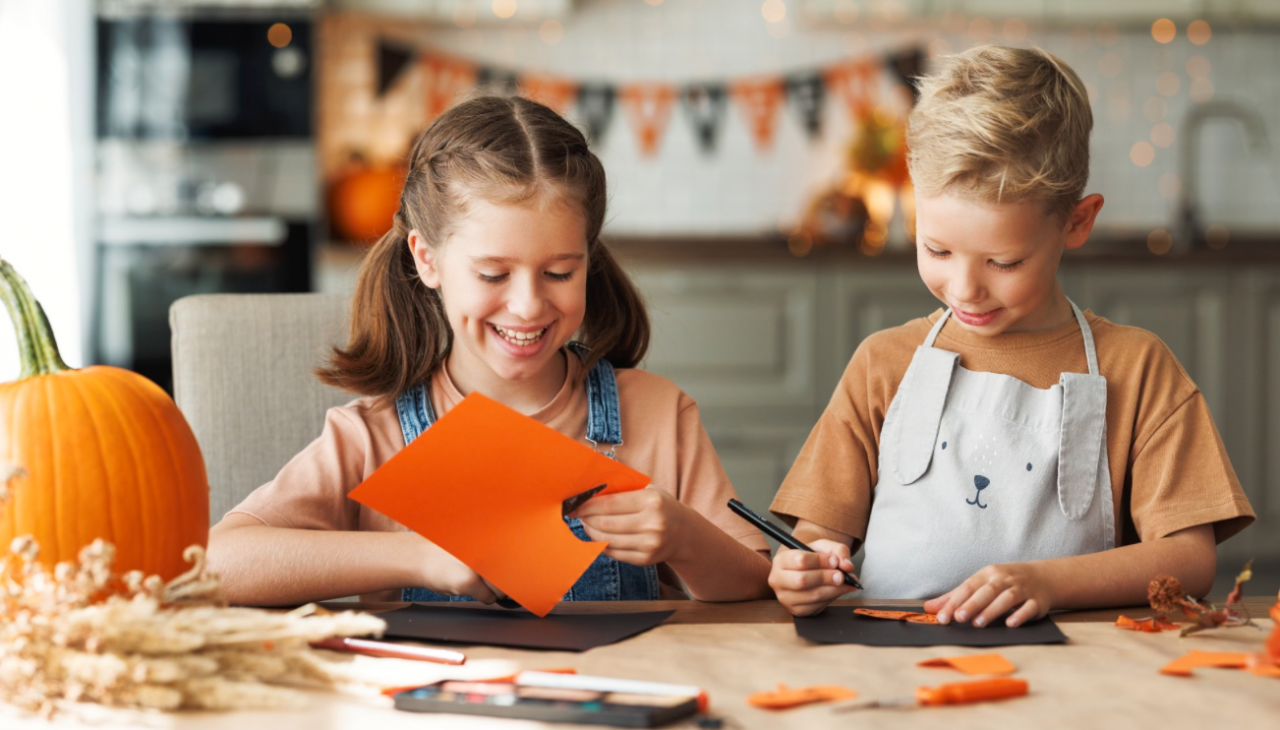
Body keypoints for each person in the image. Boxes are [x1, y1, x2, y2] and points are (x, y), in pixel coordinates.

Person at [207, 95, 771, 606]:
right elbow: (216, 564)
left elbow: (751, 585)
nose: (527, 306)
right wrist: (422, 558)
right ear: (427, 261)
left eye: (558, 272)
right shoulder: (371, 437)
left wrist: (684, 535)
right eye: (493, 273)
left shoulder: (656, 413)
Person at [767, 46, 1255, 626]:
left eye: (1003, 261)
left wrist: (1047, 581)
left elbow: (1190, 559)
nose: (965, 288)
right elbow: (818, 536)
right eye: (937, 249)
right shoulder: (883, 363)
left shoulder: (1139, 367)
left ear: (1077, 222)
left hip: (1075, 677)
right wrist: (804, 569)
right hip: (894, 671)